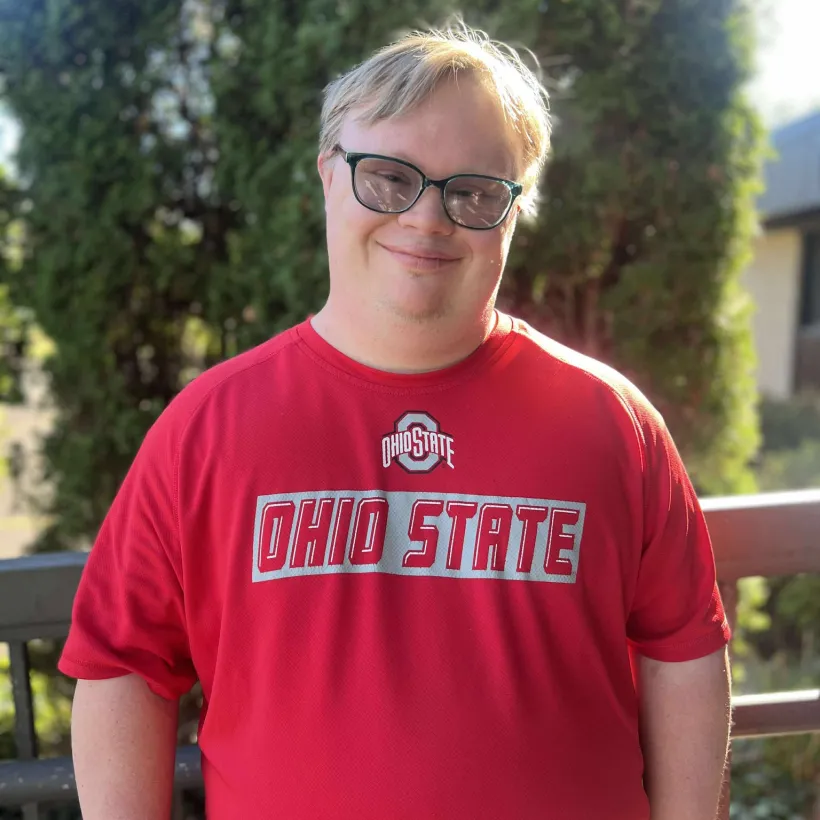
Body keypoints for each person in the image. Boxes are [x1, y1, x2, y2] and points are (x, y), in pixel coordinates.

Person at [60, 22, 732, 820]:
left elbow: (682, 655)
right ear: (327, 176)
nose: (427, 218)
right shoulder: (205, 429)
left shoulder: (612, 423)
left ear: (516, 210)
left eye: (475, 192)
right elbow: (122, 667)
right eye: (388, 177)